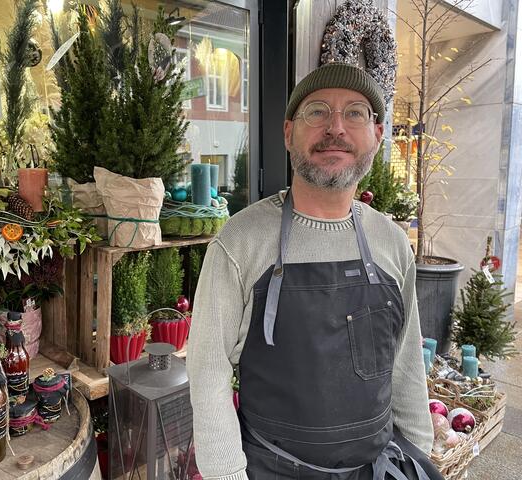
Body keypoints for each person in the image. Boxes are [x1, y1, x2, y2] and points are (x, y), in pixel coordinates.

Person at [187, 62, 442, 480]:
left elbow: (406, 362)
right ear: (289, 132)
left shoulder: (392, 242)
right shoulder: (240, 241)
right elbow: (208, 370)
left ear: (377, 135)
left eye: (356, 112)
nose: (336, 128)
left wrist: (419, 452)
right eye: (317, 111)